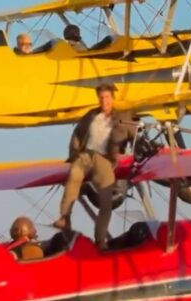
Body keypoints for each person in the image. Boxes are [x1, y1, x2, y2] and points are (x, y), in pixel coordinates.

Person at [52, 83, 136, 250]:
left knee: (106, 201)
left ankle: (100, 239)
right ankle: (64, 217)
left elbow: (134, 135)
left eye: (107, 97)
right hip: (86, 155)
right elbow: (77, 133)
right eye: (101, 97)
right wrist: (74, 153)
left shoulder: (122, 117)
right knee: (73, 176)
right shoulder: (91, 115)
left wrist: (128, 151)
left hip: (104, 159)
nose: (104, 101)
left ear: (112, 98)